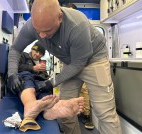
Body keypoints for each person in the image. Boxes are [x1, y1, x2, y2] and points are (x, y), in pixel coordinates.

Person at [7, 0, 122, 134]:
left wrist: (51, 82)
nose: (42, 36)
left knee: (104, 113)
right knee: (66, 113)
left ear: (60, 17)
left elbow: (78, 64)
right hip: (71, 62)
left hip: (94, 60)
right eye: (38, 32)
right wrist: (12, 74)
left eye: (47, 31)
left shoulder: (77, 25)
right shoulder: (31, 26)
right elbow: (15, 49)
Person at [8, 42, 84, 123]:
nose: (37, 54)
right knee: (26, 76)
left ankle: (51, 110)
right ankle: (30, 105)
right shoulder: (23, 55)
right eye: (36, 51)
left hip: (37, 84)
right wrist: (33, 68)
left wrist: (47, 80)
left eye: (40, 54)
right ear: (32, 49)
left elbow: (44, 77)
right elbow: (16, 68)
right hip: (23, 81)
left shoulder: (41, 62)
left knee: (43, 88)